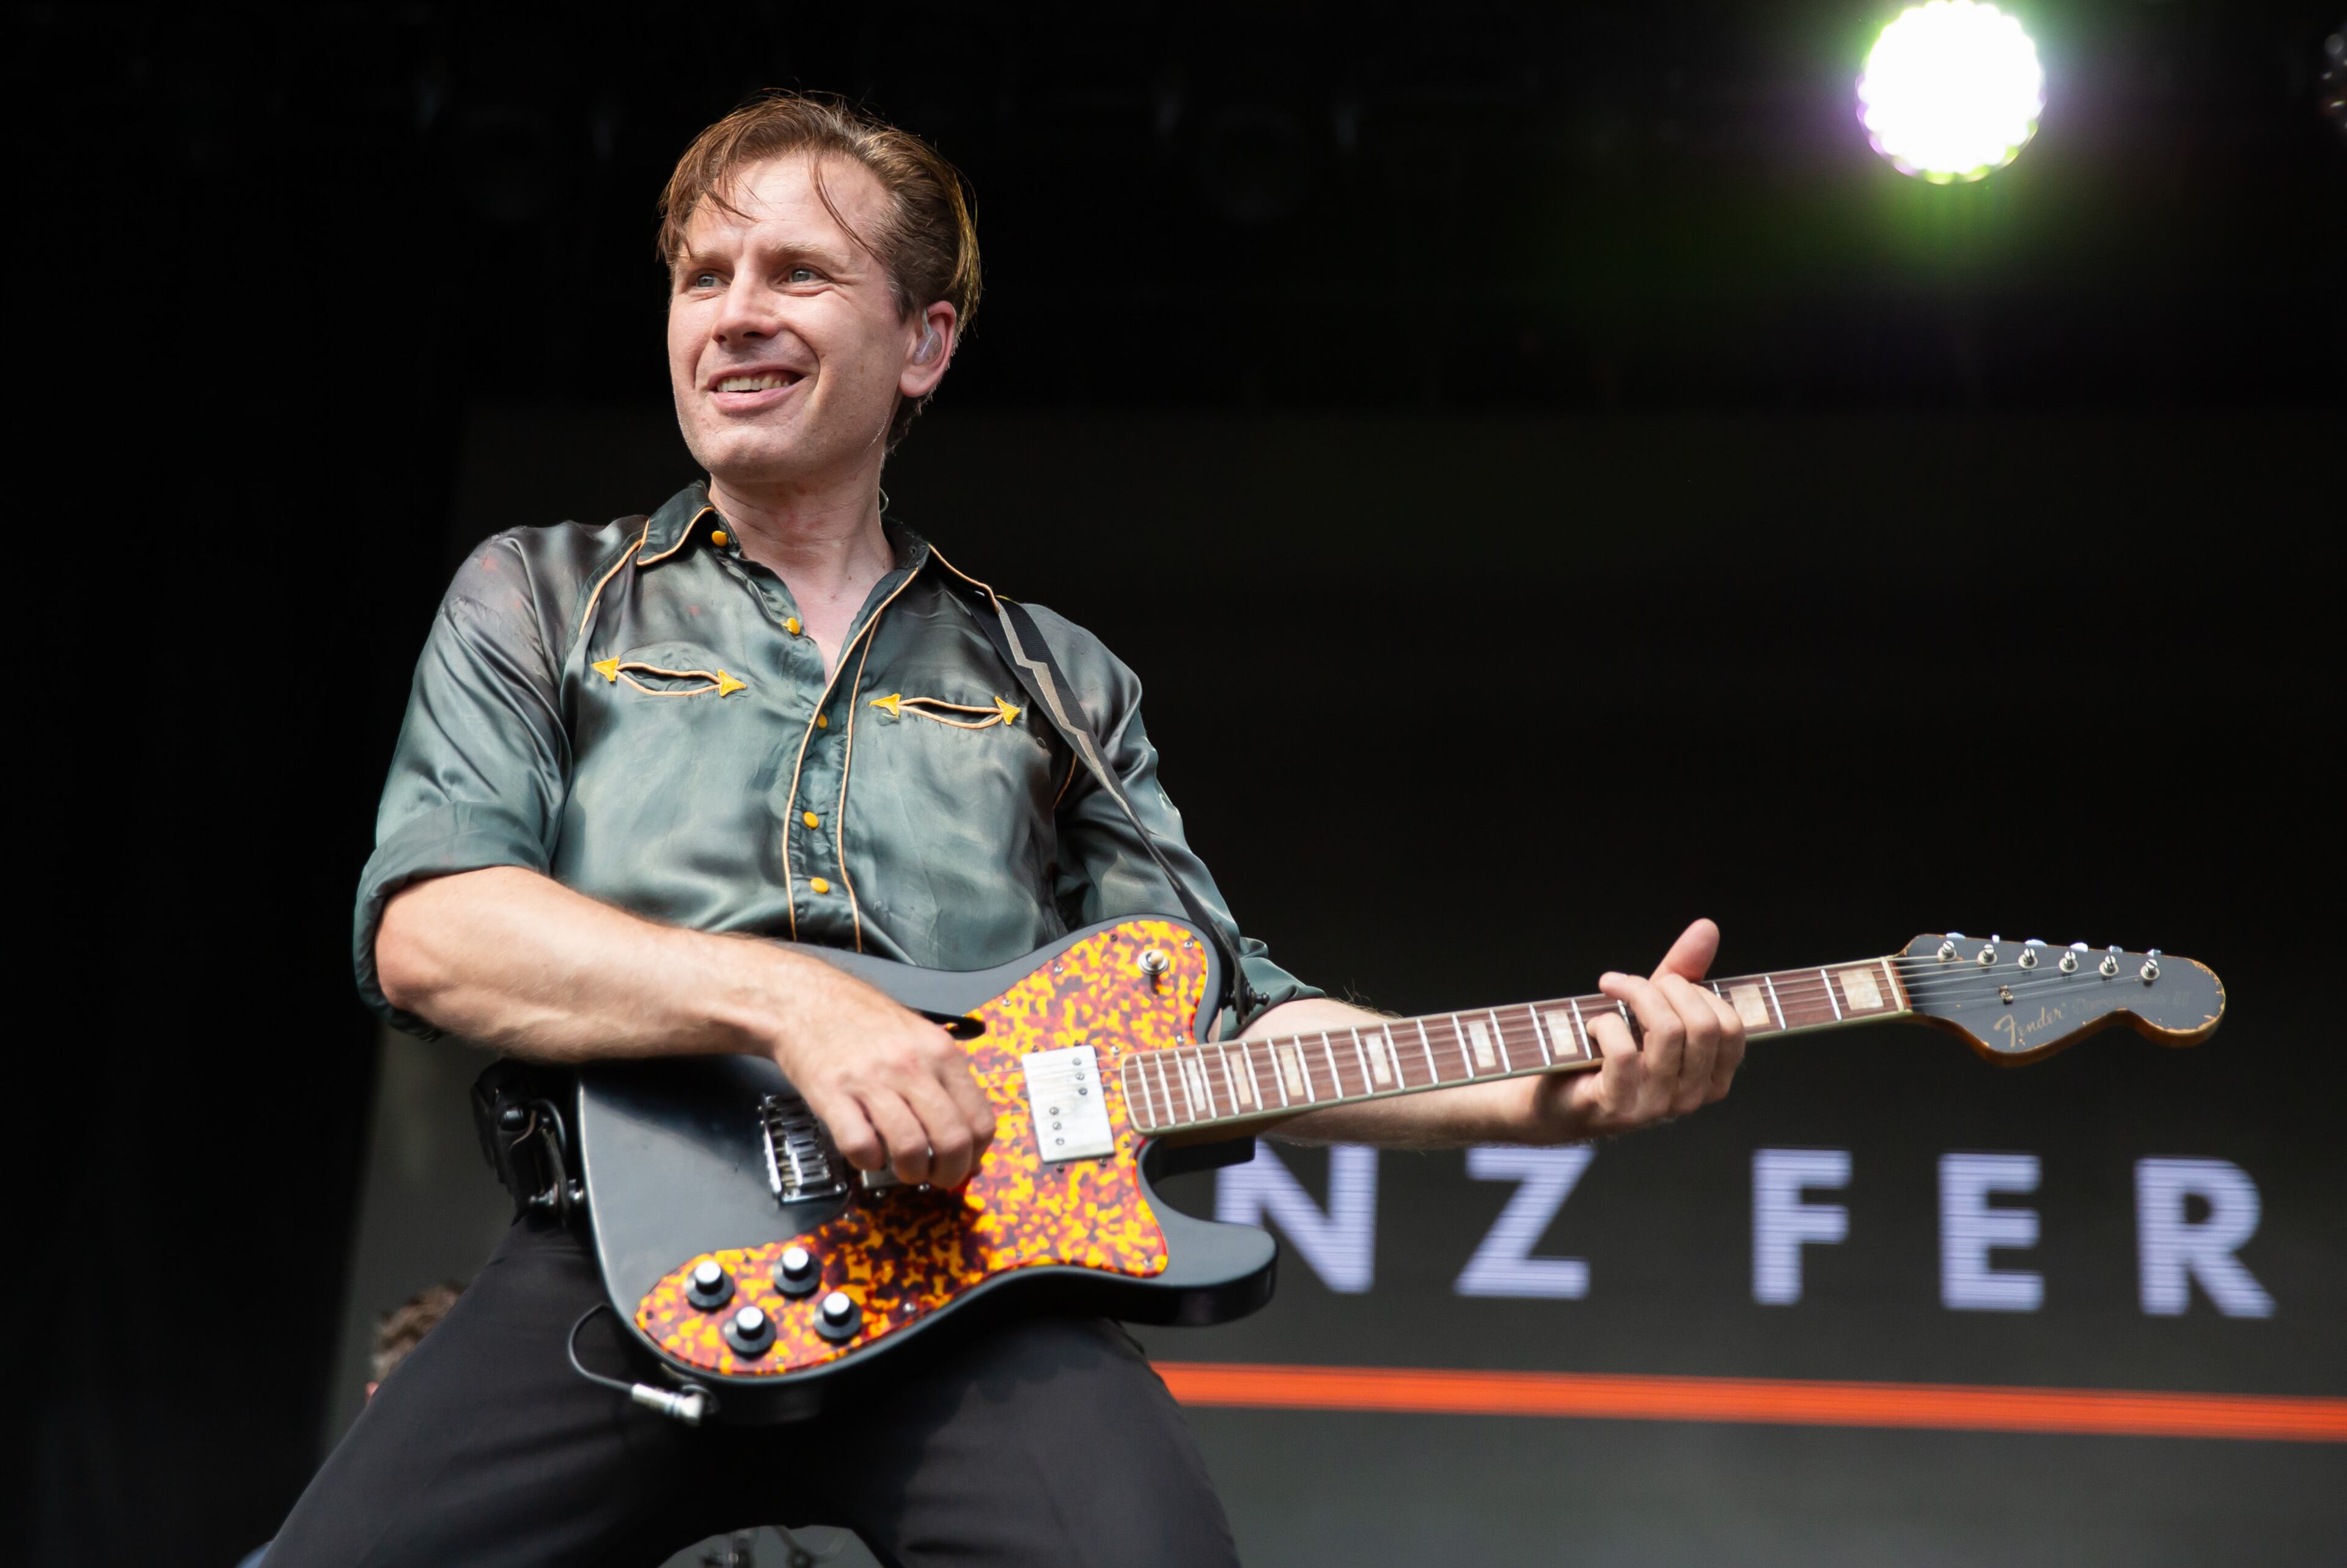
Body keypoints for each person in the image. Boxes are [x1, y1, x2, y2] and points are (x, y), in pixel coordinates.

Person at [268, 92, 1746, 1567]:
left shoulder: (1053, 674)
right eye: (702, 278)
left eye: (796, 274)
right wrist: (797, 1004)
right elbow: (434, 931)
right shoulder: (539, 592)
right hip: (617, 1252)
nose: (733, 316)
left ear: (924, 341)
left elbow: (1222, 1019)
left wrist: (1544, 1097)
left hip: (983, 1273)